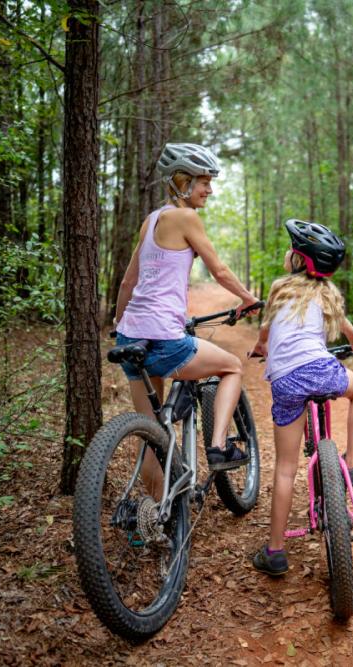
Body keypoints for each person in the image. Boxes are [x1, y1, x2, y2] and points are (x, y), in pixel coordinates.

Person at [114, 142, 261, 503]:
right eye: (204, 182)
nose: (209, 190)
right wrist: (247, 298)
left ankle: (155, 516)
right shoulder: (186, 218)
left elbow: (128, 282)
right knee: (231, 367)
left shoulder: (151, 221)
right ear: (183, 181)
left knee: (152, 435)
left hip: (131, 337)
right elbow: (220, 270)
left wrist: (120, 324)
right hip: (164, 339)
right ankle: (218, 446)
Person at [249, 219, 353, 576]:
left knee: (286, 468)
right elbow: (344, 324)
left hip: (285, 380)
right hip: (319, 369)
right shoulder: (326, 293)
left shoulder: (278, 289)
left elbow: (267, 330)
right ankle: (350, 460)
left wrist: (260, 347)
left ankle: (275, 551)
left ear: (298, 260)